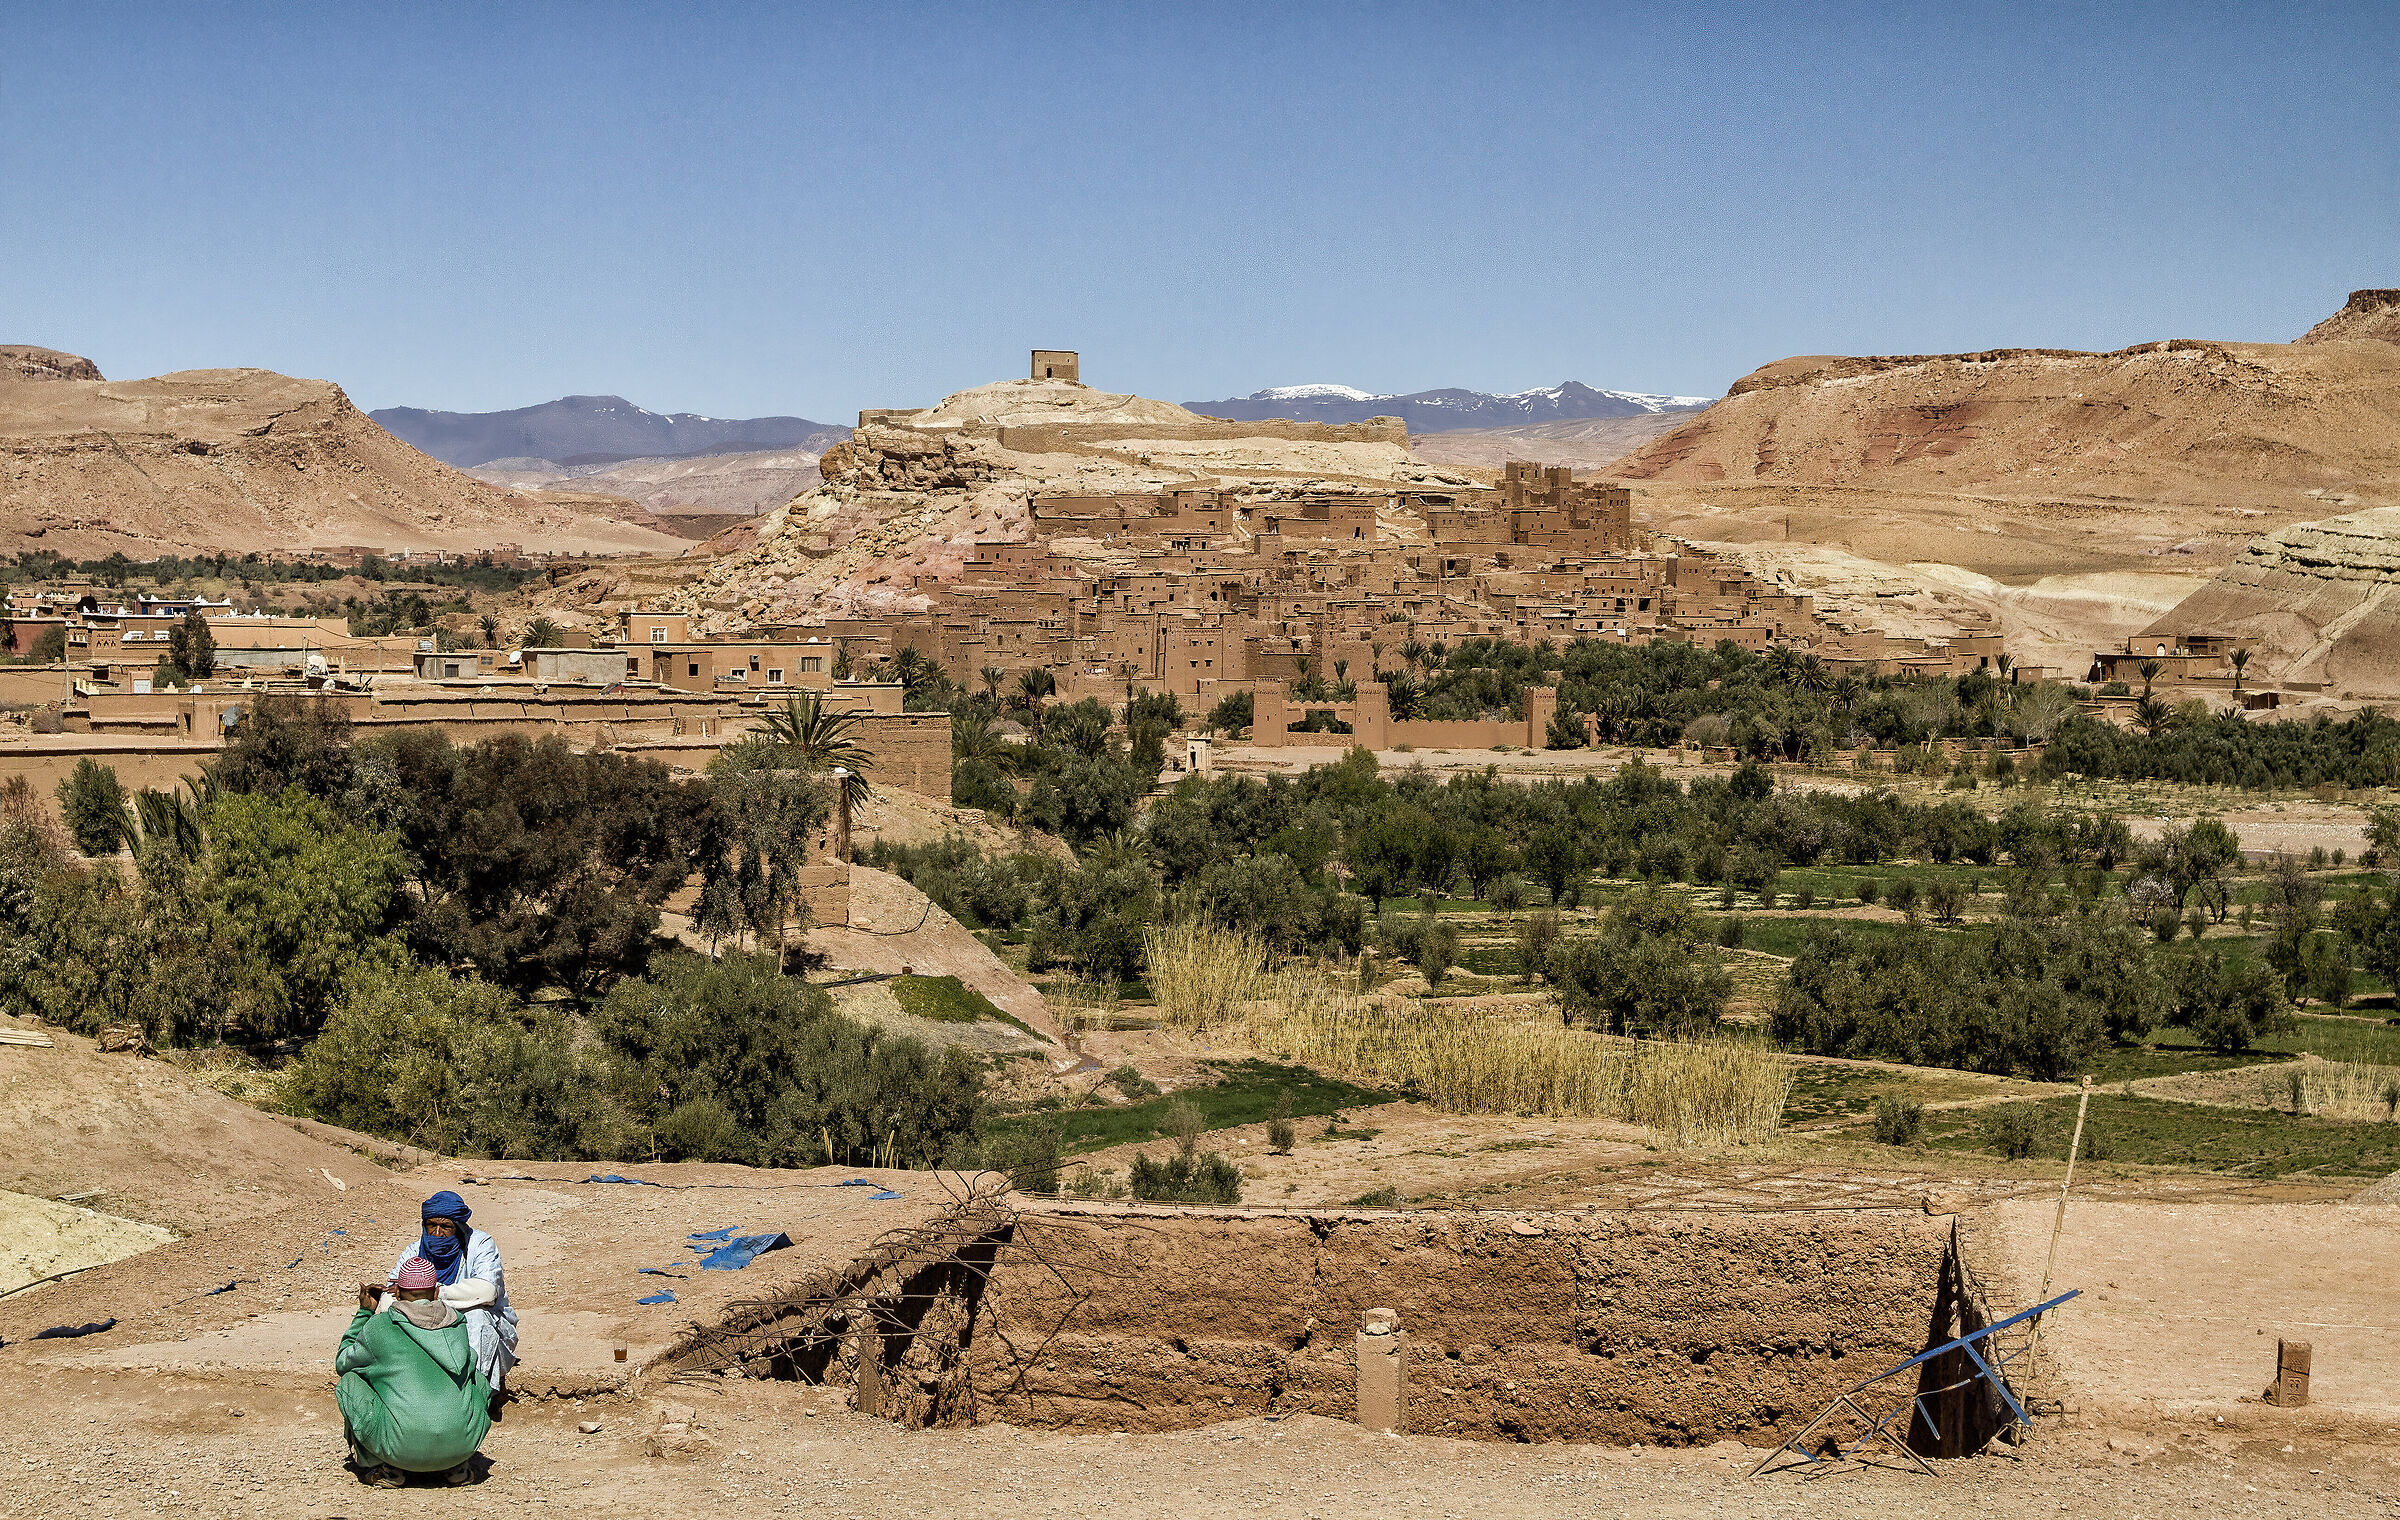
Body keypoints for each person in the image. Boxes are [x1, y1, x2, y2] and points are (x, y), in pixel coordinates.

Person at [337, 1257, 489, 1488]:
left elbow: (343, 1363)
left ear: (396, 1292)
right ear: (436, 1292)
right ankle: (456, 1466)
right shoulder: (458, 1325)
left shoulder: (380, 1327)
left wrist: (364, 1312)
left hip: (400, 1450)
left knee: (350, 1381)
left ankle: (384, 1467)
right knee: (476, 1378)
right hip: (461, 1448)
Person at [391, 1189, 519, 1408]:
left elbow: (487, 1291)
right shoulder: (414, 1252)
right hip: (429, 1327)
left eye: (446, 1227)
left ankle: (475, 1398)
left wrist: (437, 1293)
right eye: (432, 1225)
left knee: (476, 1316)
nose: (438, 1233)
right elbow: (393, 1292)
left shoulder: (479, 1245)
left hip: (485, 1326)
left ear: (458, 1228)